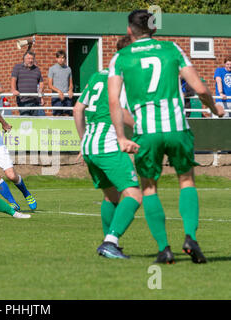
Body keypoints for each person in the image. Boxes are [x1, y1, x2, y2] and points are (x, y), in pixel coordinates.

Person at [108, 10, 225, 264]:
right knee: (186, 180)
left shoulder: (120, 57)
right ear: (154, 30)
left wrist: (120, 136)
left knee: (149, 187)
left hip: (145, 132)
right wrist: (215, 108)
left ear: (129, 31)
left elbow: (114, 101)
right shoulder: (172, 49)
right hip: (177, 127)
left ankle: (164, 248)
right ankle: (190, 237)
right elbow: (200, 88)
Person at [73, 35, 142, 260]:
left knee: (110, 196)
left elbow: (77, 109)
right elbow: (119, 111)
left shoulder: (97, 75)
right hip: (108, 143)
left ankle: (108, 244)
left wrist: (83, 143)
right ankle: (111, 241)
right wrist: (144, 127)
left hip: (91, 144)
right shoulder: (122, 76)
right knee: (134, 194)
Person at [11, 51, 45, 116]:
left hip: (35, 101)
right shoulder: (17, 67)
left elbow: (41, 82)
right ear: (24, 59)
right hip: (23, 101)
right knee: (26, 121)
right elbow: (13, 80)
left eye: (32, 59)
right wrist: (13, 89)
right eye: (29, 58)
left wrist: (41, 95)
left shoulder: (36, 69)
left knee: (36, 122)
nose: (31, 60)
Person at [48, 50, 74, 116]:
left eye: (63, 58)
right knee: (57, 116)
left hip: (67, 97)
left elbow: (70, 83)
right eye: (59, 57)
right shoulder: (52, 69)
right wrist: (58, 91)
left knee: (67, 116)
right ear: (56, 58)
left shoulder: (68, 69)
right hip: (56, 97)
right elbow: (50, 85)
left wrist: (70, 90)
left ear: (65, 59)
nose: (61, 59)